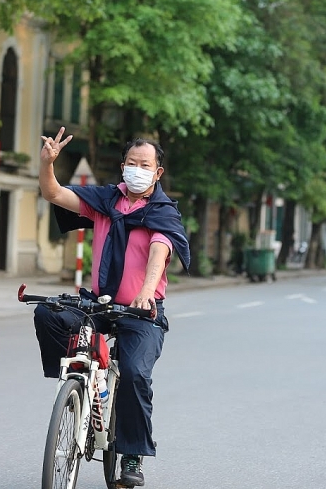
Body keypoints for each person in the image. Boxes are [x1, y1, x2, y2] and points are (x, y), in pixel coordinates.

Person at [34, 128, 190, 487]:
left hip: (142, 311)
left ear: (158, 173)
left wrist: (147, 291)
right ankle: (78, 381)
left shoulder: (163, 212)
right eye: (132, 163)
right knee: (48, 313)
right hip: (100, 303)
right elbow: (53, 193)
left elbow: (159, 251)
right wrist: (47, 165)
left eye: (145, 164)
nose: (138, 169)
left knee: (135, 374)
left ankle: (132, 456)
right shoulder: (106, 200)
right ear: (123, 167)